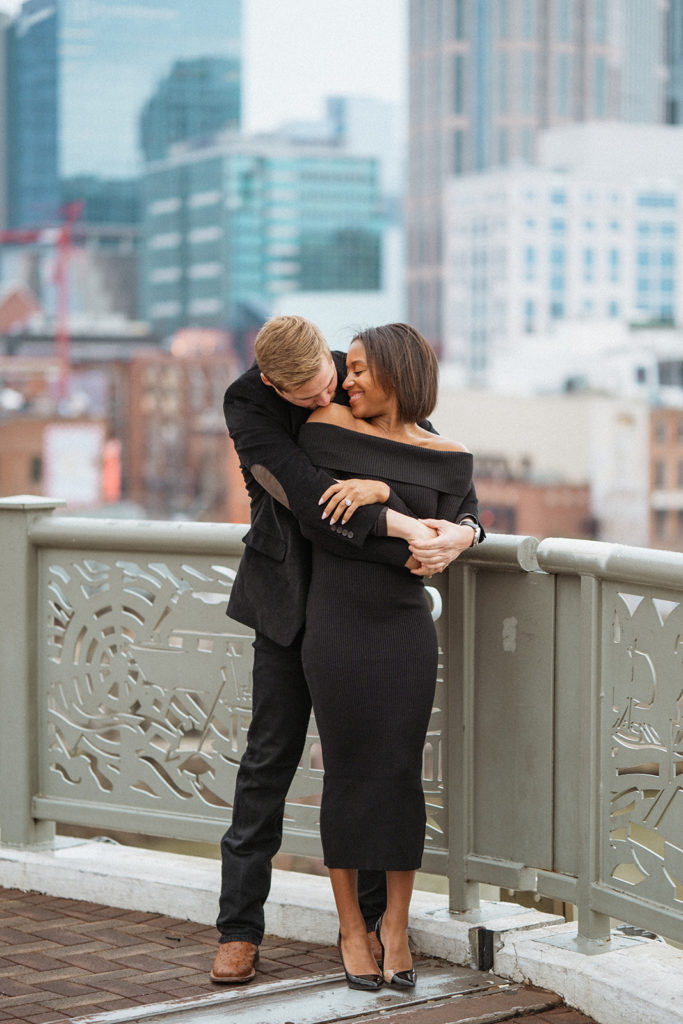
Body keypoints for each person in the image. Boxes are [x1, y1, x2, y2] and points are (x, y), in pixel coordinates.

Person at [212, 315, 481, 985]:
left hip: (372, 612)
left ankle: (369, 928)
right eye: (304, 393)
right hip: (288, 600)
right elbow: (311, 501)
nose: (323, 394)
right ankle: (239, 930)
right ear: (276, 383)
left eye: (330, 381)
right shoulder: (250, 403)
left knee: (373, 766)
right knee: (269, 762)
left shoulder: (351, 380)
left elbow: (443, 478)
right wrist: (401, 515)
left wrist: (466, 531)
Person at [296, 323, 482, 990]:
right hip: (337, 623)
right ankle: (351, 926)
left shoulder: (450, 457)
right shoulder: (323, 432)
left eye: (360, 369)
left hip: (405, 630)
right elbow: (331, 526)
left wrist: (458, 534)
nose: (346, 380)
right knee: (344, 770)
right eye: (346, 369)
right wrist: (383, 497)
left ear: (400, 375)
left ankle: (395, 927)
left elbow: (461, 521)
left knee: (401, 774)